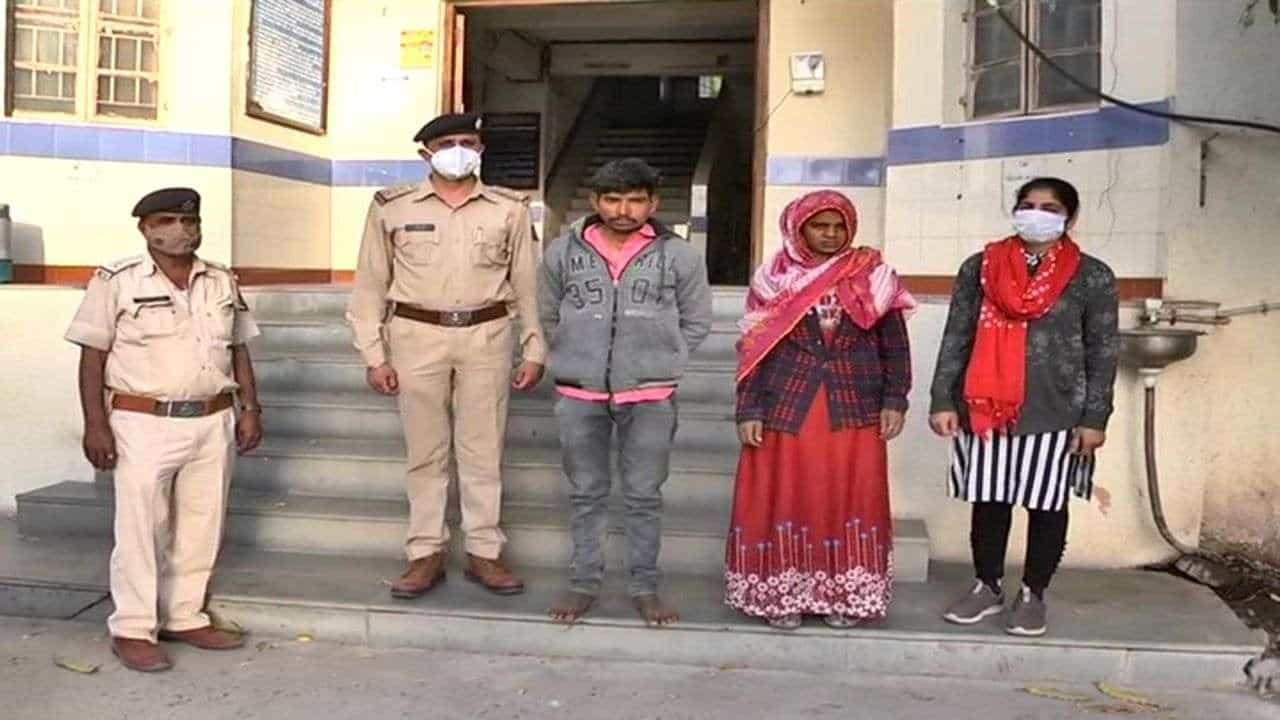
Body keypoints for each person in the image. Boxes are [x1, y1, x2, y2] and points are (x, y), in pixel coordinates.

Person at [347, 113, 546, 599]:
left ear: (481, 150)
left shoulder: (509, 208)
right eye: (448, 143)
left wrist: (534, 346)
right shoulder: (392, 207)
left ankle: (484, 552)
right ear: (426, 154)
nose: (460, 150)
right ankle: (425, 553)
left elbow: (528, 283)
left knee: (483, 450)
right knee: (426, 452)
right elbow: (369, 284)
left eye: (469, 142)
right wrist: (374, 354)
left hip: (486, 335)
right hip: (416, 335)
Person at [65, 187, 263, 672]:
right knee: (141, 528)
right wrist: (95, 425)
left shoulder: (220, 279)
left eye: (189, 221)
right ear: (145, 229)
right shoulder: (116, 280)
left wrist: (250, 408)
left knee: (202, 522)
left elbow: (238, 348)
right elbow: (93, 356)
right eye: (168, 221)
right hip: (143, 421)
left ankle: (185, 616)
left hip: (213, 418)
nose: (181, 230)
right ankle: (133, 628)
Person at [929, 177, 1119, 637]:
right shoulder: (980, 268)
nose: (1036, 214)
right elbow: (957, 335)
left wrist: (1095, 418)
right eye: (1028, 204)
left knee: (1047, 503)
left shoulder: (1091, 275)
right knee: (990, 499)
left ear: (1070, 217)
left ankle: (1034, 593)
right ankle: (987, 586)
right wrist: (942, 398)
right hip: (986, 408)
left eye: (1049, 208)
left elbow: (1103, 350)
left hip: (1058, 409)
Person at [726, 190, 916, 630]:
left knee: (849, 497)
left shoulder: (874, 275)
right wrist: (748, 408)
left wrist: (895, 399)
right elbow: (754, 351)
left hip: (854, 407)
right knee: (786, 497)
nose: (830, 235)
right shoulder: (772, 279)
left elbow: (895, 346)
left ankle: (845, 595)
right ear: (799, 229)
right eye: (819, 226)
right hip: (786, 406)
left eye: (838, 226)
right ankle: (783, 595)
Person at [540, 158, 713, 627]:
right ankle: (583, 584)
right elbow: (547, 312)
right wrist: (573, 355)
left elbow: (697, 320)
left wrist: (664, 360)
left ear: (652, 204)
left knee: (643, 495)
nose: (623, 210)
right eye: (613, 199)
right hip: (580, 393)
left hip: (650, 395)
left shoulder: (679, 255)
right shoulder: (562, 251)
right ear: (595, 201)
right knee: (586, 493)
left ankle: (645, 587)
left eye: (635, 200)